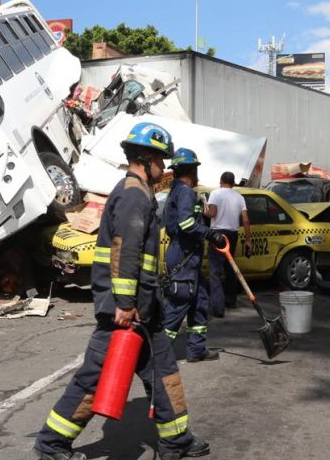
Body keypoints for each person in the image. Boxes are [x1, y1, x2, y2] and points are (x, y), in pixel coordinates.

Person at [31, 123, 209, 460]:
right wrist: (125, 304)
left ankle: (176, 441)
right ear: (146, 158)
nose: (164, 167)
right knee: (92, 381)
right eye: (161, 160)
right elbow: (124, 251)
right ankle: (51, 445)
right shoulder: (134, 195)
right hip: (125, 313)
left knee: (163, 373)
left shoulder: (136, 192)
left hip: (144, 311)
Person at [162, 148, 225, 362]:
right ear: (191, 170)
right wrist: (210, 234)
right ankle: (157, 354)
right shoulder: (185, 192)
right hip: (183, 256)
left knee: (199, 302)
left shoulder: (177, 191)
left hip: (188, 256)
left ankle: (196, 350)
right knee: (178, 305)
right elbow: (186, 223)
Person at [205, 171, 250, 316]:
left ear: (221, 181)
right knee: (230, 268)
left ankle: (218, 308)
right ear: (233, 183)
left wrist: (204, 208)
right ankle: (231, 300)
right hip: (232, 234)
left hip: (217, 234)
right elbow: (246, 220)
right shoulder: (239, 197)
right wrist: (248, 240)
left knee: (215, 272)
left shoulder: (215, 194)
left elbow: (212, 214)